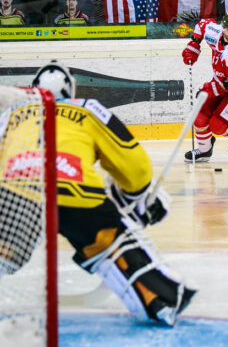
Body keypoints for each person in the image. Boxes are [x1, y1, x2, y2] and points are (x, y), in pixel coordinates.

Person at [30, 61, 196, 325]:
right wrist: (138, 200)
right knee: (114, 243)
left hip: (14, 194)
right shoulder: (87, 108)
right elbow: (135, 167)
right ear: (70, 91)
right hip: (75, 192)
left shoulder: (10, 113)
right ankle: (159, 300)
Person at [182, 11, 228, 162]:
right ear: (223, 27)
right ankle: (204, 150)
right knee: (199, 117)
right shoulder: (215, 33)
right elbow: (202, 25)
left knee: (218, 126)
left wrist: (210, 90)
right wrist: (193, 45)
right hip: (219, 83)